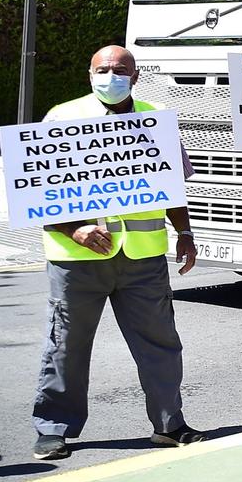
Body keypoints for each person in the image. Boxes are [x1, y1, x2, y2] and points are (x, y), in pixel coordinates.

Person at [31, 46, 203, 460]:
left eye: (120, 70)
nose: (111, 75)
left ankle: (169, 425)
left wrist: (185, 231)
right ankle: (54, 428)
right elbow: (37, 192)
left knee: (160, 343)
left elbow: (172, 185)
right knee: (67, 344)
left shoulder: (156, 116)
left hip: (142, 258)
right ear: (89, 74)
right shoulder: (62, 117)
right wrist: (75, 229)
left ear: (136, 76)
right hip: (77, 259)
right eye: (103, 69)